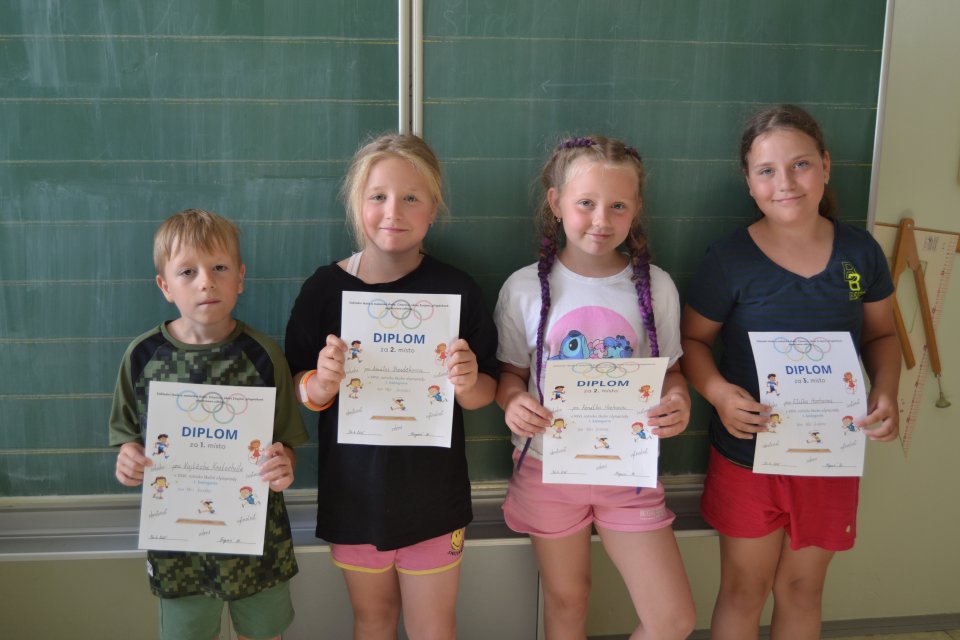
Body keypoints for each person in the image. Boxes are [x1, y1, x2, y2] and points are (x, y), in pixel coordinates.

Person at [680, 105, 901, 639]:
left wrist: (887, 392)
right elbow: (692, 343)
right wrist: (719, 394)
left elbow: (882, 336)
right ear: (749, 182)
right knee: (743, 589)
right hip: (747, 456)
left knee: (803, 589)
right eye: (767, 170)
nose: (785, 182)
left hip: (829, 456)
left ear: (825, 165)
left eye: (800, 164)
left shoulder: (859, 253)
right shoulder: (729, 259)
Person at [284, 133, 498, 639]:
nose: (393, 212)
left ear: (433, 208)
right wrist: (322, 383)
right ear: (356, 203)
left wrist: (468, 382)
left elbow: (486, 391)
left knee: (433, 627)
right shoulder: (324, 290)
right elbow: (298, 389)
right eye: (378, 196)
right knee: (373, 621)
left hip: (434, 497)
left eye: (411, 198)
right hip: (355, 495)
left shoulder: (457, 289)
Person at [495, 135, 696, 639]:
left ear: (637, 209)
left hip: (628, 473)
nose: (601, 219)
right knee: (567, 603)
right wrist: (513, 402)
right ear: (556, 202)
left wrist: (678, 398)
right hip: (548, 470)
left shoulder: (656, 286)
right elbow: (510, 375)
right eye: (585, 203)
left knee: (672, 619)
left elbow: (671, 371)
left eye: (618, 206)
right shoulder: (523, 288)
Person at [110, 208, 309, 640]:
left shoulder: (263, 356)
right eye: (188, 271)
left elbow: (287, 444)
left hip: (257, 543)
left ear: (240, 277)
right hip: (178, 549)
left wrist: (284, 465)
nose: (206, 282)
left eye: (219, 268)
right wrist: (127, 460)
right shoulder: (142, 357)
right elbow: (126, 439)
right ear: (165, 285)